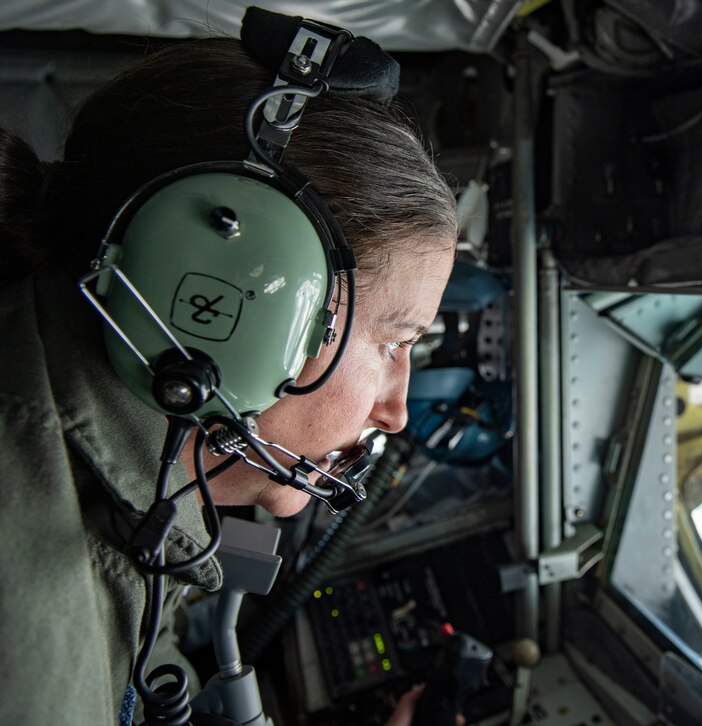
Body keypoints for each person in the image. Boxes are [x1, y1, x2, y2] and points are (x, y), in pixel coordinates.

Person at [0, 14, 457, 726]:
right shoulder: (29, 617)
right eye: (394, 343)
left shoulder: (113, 507)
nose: (396, 411)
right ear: (242, 303)